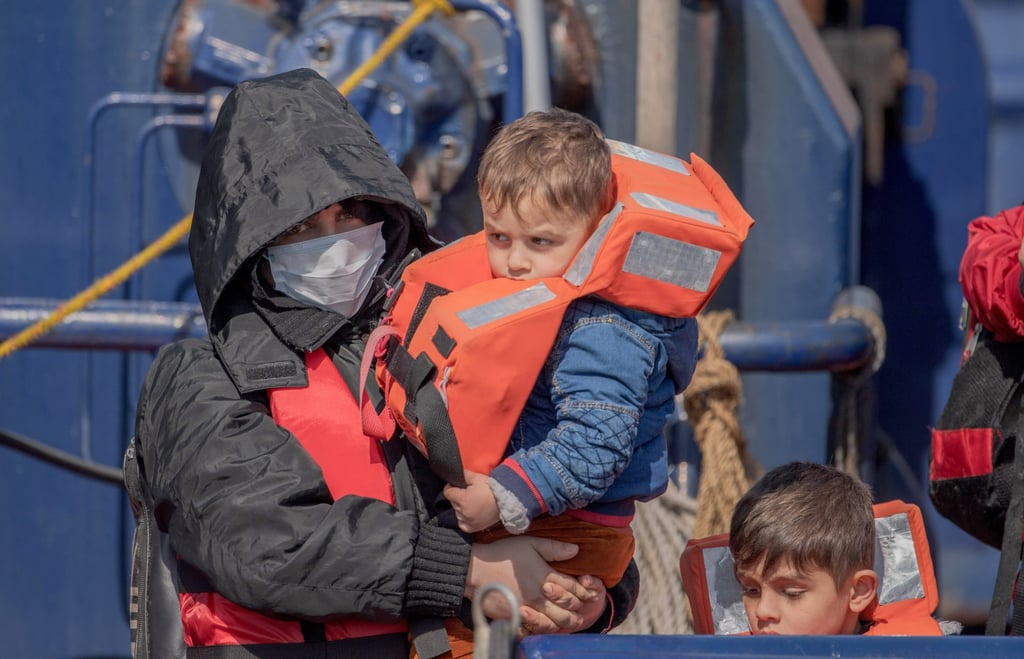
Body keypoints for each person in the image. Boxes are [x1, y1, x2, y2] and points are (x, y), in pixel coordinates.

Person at [129, 68, 637, 659]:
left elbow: (569, 489)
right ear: (251, 246)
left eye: (348, 215)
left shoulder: (443, 344)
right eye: (299, 227)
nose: (332, 238)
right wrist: (469, 570)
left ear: (384, 217)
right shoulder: (196, 378)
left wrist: (593, 595)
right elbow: (264, 543)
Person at [424, 108, 698, 653]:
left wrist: (498, 498)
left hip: (567, 529)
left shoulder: (603, 328)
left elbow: (595, 446)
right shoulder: (555, 299)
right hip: (549, 519)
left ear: (599, 232)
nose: (515, 262)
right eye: (499, 236)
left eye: (540, 242)